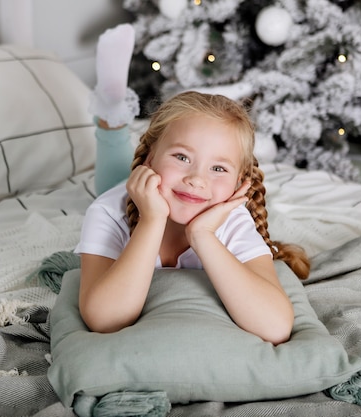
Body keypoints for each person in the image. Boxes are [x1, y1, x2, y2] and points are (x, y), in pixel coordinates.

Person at [76, 24, 310, 345]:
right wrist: (151, 221)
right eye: (182, 158)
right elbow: (105, 319)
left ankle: (116, 114)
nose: (197, 179)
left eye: (218, 168)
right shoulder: (107, 212)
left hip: (178, 197)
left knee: (115, 179)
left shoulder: (232, 220)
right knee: (110, 182)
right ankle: (112, 113)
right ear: (148, 158)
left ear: (238, 186)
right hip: (133, 195)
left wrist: (202, 236)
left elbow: (275, 327)